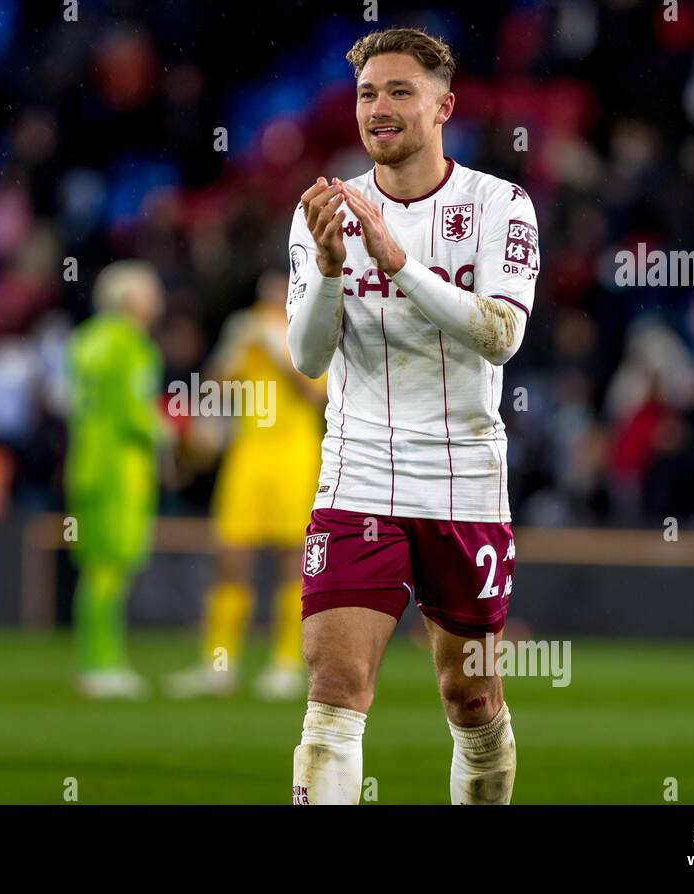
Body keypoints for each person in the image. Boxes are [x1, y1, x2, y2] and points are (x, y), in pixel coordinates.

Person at [284, 28, 540, 804]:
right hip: (356, 472)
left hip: (463, 480)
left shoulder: (501, 204)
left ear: (443, 107)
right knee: (333, 694)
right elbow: (306, 357)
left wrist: (398, 262)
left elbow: (501, 335)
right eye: (368, 93)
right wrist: (330, 271)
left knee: (471, 701)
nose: (380, 107)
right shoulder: (319, 214)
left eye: (400, 91)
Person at [164, 270, 326, 701]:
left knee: (292, 560)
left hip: (295, 455)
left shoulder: (312, 330)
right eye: (264, 293)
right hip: (248, 454)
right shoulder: (249, 333)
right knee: (230, 556)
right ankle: (220, 665)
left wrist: (280, 350)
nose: (269, 300)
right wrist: (230, 350)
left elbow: (315, 398)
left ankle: (286, 665)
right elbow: (215, 393)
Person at [65, 260, 166, 699]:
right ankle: (103, 665)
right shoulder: (132, 346)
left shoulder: (85, 340)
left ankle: (94, 662)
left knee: (95, 569)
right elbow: (133, 413)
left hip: (85, 463)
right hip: (121, 468)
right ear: (133, 300)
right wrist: (169, 433)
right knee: (112, 571)